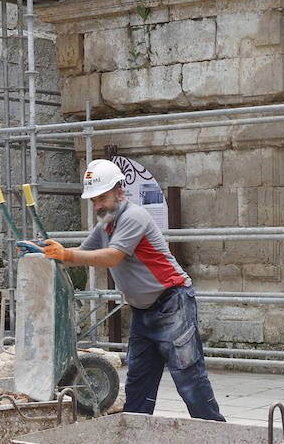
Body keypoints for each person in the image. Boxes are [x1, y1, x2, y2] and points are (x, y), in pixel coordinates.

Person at [30, 159, 225, 422]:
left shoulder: (134, 217)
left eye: (103, 198)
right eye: (94, 201)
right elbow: (81, 254)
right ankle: (133, 441)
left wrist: (65, 254)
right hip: (143, 311)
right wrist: (46, 254)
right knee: (138, 386)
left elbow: (112, 257)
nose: (98, 205)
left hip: (172, 304)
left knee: (190, 382)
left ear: (119, 192)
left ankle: (216, 439)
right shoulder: (105, 227)